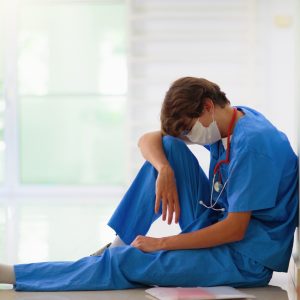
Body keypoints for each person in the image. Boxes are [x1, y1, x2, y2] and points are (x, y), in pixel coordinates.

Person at [0, 76, 298, 291]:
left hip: (244, 256)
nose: (189, 136)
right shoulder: (232, 120)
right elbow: (150, 139)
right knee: (168, 150)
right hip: (216, 221)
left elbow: (235, 229)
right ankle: (116, 244)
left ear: (207, 106)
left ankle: (13, 273)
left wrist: (161, 243)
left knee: (126, 262)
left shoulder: (254, 144)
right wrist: (164, 169)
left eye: (187, 129)